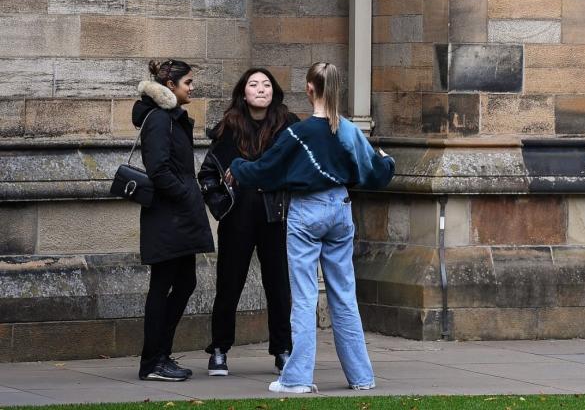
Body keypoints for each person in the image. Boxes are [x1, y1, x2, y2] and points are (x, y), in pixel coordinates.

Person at [229, 62, 395, 394]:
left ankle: (297, 378)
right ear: (337, 88)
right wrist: (387, 161)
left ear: (309, 89)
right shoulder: (348, 130)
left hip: (306, 212)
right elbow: (377, 171)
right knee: (345, 296)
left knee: (304, 297)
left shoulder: (298, 132)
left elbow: (264, 170)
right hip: (341, 209)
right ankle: (362, 377)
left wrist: (236, 166)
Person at [197, 68, 296, 377]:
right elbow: (207, 175)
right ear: (243, 92)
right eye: (254, 84)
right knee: (229, 284)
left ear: (274, 91)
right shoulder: (229, 127)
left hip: (274, 216)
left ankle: (283, 350)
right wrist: (222, 206)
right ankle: (219, 350)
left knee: (279, 286)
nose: (261, 89)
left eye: (266, 84)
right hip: (237, 218)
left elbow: (301, 167)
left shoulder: (288, 126)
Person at [133, 59, 215, 382]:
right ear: (171, 87)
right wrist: (186, 194)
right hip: (168, 218)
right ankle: (153, 361)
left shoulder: (170, 118)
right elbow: (159, 169)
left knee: (184, 283)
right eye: (188, 83)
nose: (192, 88)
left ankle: (159, 356)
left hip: (177, 217)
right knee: (163, 286)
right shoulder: (158, 120)